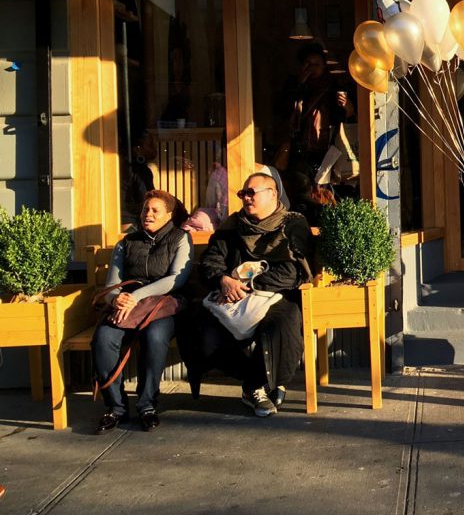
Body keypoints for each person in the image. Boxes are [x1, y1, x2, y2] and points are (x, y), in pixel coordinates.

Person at [193, 172, 313, 417]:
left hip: (278, 295)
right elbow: (210, 262)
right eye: (243, 194)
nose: (246, 198)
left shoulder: (292, 224)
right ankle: (260, 382)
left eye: (251, 193)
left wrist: (245, 283)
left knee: (283, 325)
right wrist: (223, 280)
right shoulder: (232, 227)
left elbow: (292, 273)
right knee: (205, 336)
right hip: (231, 298)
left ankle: (257, 386)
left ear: (273, 194)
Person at [92, 190, 193, 434]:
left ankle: (147, 404)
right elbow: (111, 285)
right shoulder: (126, 243)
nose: (148, 214)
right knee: (103, 338)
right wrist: (117, 299)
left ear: (169, 215)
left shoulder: (181, 238)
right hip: (127, 306)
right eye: (146, 209)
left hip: (163, 305)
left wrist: (135, 297)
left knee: (155, 336)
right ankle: (116, 407)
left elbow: (176, 280)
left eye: (155, 210)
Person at [278, 42, 356, 220]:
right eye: (308, 64)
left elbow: (349, 124)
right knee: (302, 195)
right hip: (300, 153)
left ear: (324, 67)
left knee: (327, 196)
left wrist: (349, 109)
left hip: (330, 152)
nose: (312, 68)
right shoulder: (294, 86)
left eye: (316, 64)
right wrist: (299, 85)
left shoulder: (334, 88)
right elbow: (281, 112)